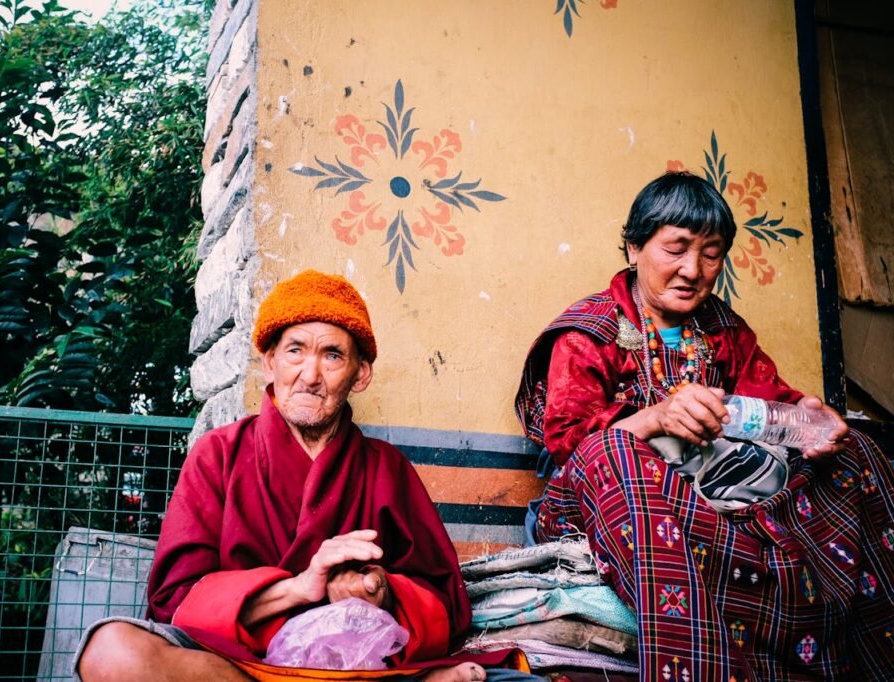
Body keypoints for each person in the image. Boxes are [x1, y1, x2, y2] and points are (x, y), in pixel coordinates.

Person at [515, 172, 894, 681]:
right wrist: (654, 418)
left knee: (859, 451)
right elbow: (570, 446)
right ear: (634, 247)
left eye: (711, 254)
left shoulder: (724, 331)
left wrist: (811, 418)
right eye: (676, 248)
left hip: (718, 502)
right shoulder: (591, 331)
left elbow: (772, 403)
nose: (693, 269)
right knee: (615, 454)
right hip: (608, 501)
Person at [76, 270, 531, 682]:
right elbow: (175, 601)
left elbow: (447, 606)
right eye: (295, 350)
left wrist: (381, 591)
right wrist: (299, 587)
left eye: (332, 355)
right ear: (269, 361)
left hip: (357, 667)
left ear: (360, 374)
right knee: (113, 653)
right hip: (240, 665)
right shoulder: (219, 455)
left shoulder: (385, 467)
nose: (310, 375)